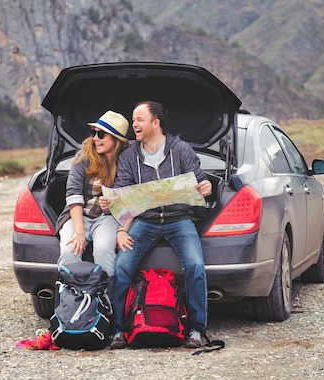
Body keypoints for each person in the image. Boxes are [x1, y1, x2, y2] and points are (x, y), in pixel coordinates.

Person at [106, 101, 213, 349]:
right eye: (133, 120)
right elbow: (124, 195)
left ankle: (197, 330)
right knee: (122, 267)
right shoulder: (129, 155)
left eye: (139, 119)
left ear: (156, 122)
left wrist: (205, 187)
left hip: (179, 220)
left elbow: (200, 180)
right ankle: (119, 330)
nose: (134, 125)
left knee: (196, 266)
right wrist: (122, 229)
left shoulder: (181, 150)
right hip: (144, 221)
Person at [56, 110, 129, 281]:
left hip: (107, 216)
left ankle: (106, 300)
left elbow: (127, 192)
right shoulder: (84, 155)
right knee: (70, 249)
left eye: (101, 134)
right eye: (94, 133)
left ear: (115, 139)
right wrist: (80, 233)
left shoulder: (126, 160)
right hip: (78, 214)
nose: (96, 138)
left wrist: (113, 201)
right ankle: (70, 298)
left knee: (103, 250)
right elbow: (73, 194)